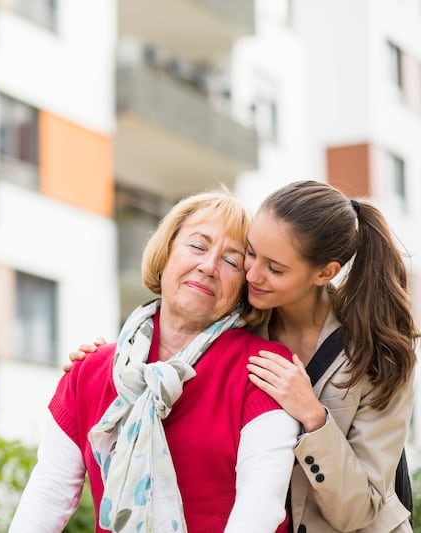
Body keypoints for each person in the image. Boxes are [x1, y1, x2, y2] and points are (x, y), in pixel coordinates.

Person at [68, 180, 418, 532]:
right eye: (250, 253)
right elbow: (172, 344)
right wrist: (106, 361)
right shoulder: (236, 325)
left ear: (325, 273)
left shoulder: (380, 354)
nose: (252, 274)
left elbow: (361, 512)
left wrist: (314, 418)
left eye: (275, 269)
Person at [9, 190, 300, 533]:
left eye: (232, 261)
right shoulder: (90, 371)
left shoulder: (263, 369)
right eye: (197, 245)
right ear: (165, 255)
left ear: (243, 286)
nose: (208, 266)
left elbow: (260, 510)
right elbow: (46, 496)